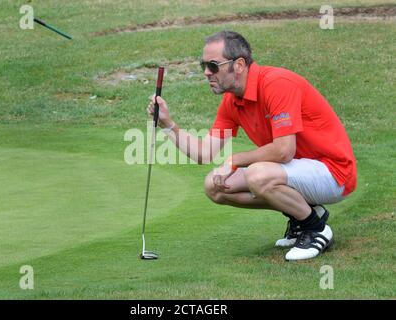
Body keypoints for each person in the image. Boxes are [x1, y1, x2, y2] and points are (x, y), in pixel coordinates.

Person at [147, 31, 357, 261]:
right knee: (215, 185)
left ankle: (316, 229)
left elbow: (283, 150)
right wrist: (168, 124)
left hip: (335, 174)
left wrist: (235, 160)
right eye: (203, 66)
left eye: (213, 65)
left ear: (238, 65)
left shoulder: (277, 84)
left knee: (258, 174)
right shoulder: (232, 100)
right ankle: (304, 214)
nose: (207, 72)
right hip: (299, 171)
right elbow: (204, 154)